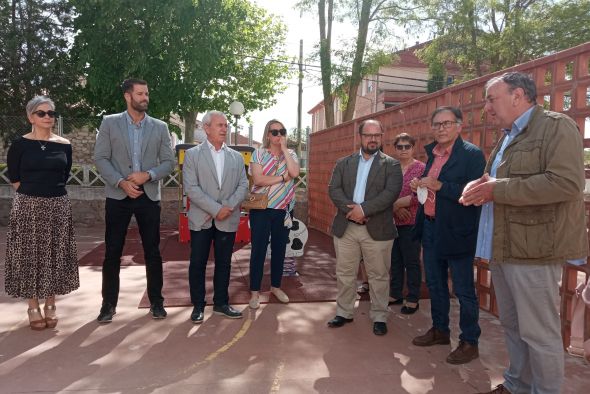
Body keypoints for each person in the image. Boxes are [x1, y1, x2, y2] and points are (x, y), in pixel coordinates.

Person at [461, 72, 587, 394]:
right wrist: (479, 186)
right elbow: (500, 182)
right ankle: (518, 385)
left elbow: (566, 183)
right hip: (506, 248)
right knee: (514, 327)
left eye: (492, 99)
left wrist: (496, 189)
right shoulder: (507, 136)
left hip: (536, 251)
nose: (487, 108)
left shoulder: (556, 127)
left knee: (540, 333)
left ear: (518, 95)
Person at [94, 78, 175, 323]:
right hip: (118, 195)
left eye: (147, 93)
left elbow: (168, 162)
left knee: (153, 251)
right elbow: (101, 158)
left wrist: (147, 175)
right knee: (112, 252)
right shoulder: (109, 123)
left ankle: (157, 303)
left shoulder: (160, 127)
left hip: (148, 196)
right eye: (140, 94)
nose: (145, 98)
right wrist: (121, 182)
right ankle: (108, 305)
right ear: (128, 96)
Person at [410, 106, 485, 364]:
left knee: (463, 289)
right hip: (431, 226)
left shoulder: (472, 155)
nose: (441, 128)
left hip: (458, 230)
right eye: (437, 124)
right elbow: (431, 187)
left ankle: (469, 341)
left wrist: (440, 186)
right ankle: (440, 330)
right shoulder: (433, 154)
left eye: (447, 123)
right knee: (434, 284)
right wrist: (419, 184)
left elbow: (475, 192)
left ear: (459, 126)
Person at [5, 96, 79, 330]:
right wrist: (33, 195)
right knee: (30, 256)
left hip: (58, 204)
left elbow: (64, 174)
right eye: (41, 113)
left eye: (51, 113)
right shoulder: (19, 145)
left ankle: (51, 304)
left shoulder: (64, 144)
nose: (48, 117)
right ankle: (32, 305)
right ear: (30, 117)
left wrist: (49, 195)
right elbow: (15, 178)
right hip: (28, 205)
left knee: (55, 254)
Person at [327, 119, 402, 336]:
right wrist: (352, 211)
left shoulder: (392, 165)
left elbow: (390, 194)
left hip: (377, 228)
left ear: (382, 137)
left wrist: (364, 210)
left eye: (377, 135)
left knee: (378, 275)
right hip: (346, 226)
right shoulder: (343, 163)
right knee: (345, 272)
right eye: (368, 135)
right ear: (360, 137)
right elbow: (334, 189)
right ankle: (344, 311)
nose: (373, 139)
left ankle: (379, 315)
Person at [182, 111, 249, 323]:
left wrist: (227, 207)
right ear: (206, 128)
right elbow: (191, 188)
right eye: (219, 125)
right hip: (201, 219)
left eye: (226, 125)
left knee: (224, 263)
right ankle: (198, 306)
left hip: (227, 218)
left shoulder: (236, 157)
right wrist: (215, 209)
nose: (224, 129)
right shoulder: (193, 155)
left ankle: (221, 303)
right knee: (198, 263)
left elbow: (243, 185)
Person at [247, 119, 300, 309]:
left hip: (283, 210)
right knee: (258, 250)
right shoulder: (259, 153)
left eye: (282, 131)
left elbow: (294, 172)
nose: (279, 135)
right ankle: (254, 292)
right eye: (275, 132)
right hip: (261, 209)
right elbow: (259, 179)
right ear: (267, 135)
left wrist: (285, 150)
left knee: (279, 250)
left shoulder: (291, 154)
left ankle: (276, 287)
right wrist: (282, 178)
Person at [390, 133, 425, 314]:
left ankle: (412, 298)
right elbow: (384, 192)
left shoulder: (421, 168)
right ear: (395, 149)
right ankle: (395, 293)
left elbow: (422, 194)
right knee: (394, 259)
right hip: (391, 221)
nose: (403, 150)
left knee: (411, 260)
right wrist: (395, 208)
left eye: (407, 146)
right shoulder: (390, 167)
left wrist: (400, 203)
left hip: (412, 221)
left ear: (413, 148)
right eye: (400, 146)